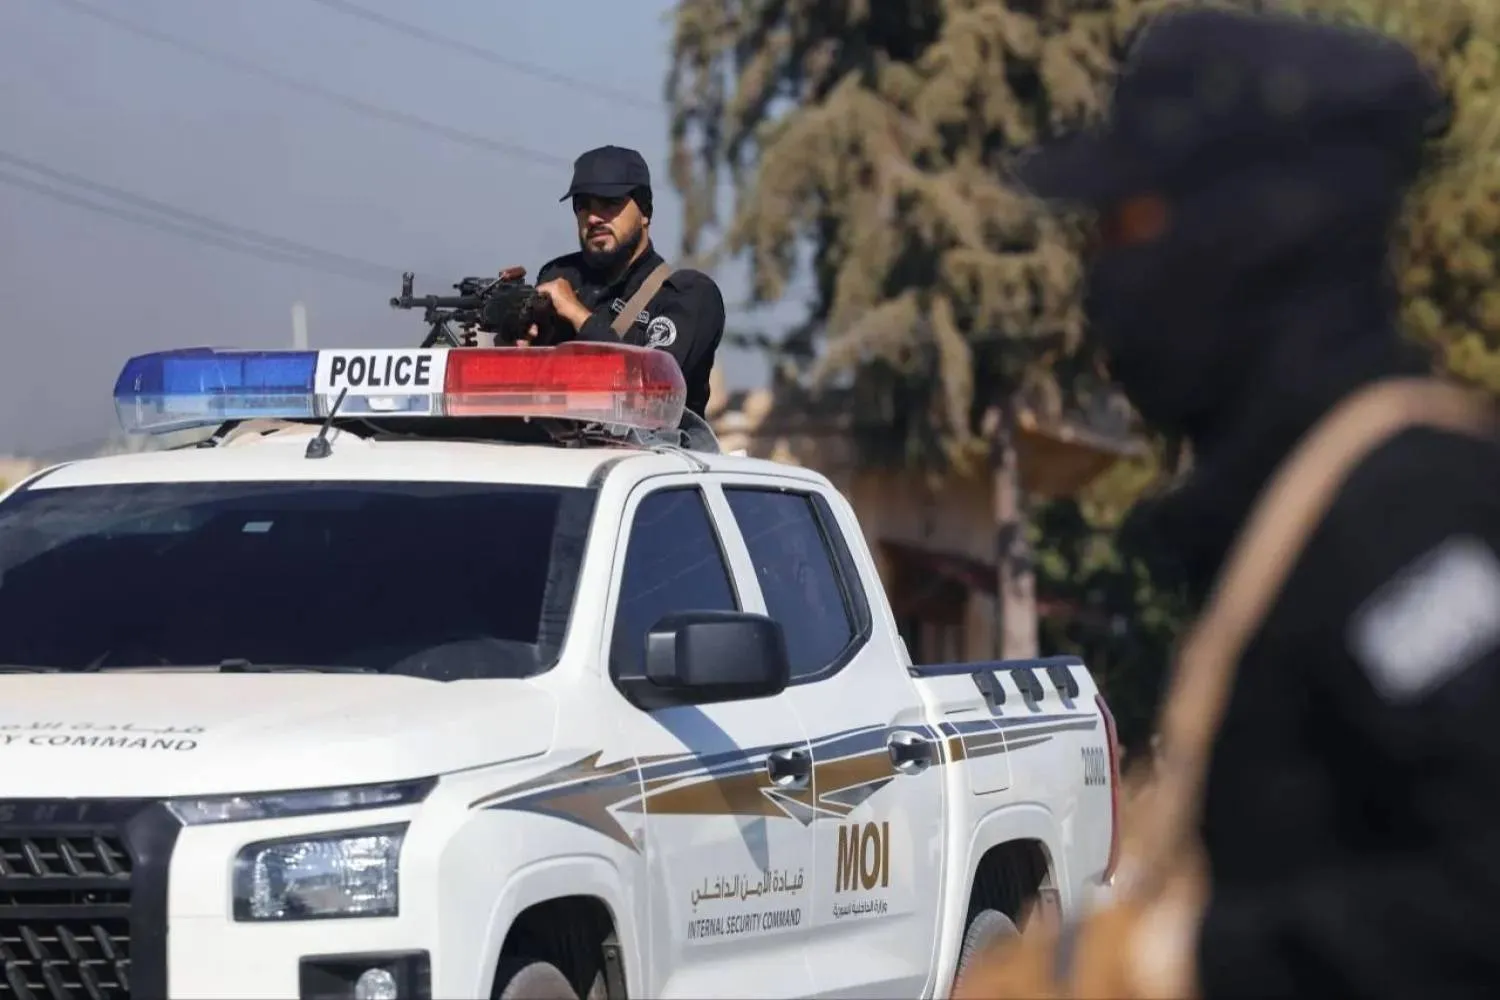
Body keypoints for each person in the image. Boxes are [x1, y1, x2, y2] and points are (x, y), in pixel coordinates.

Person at [957, 6, 1500, 999]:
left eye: (1129, 225)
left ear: (1252, 233)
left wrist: (1167, 965)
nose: (1102, 273)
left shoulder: (1407, 514)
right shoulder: (1294, 509)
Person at [502, 144, 726, 420]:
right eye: (583, 206)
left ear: (645, 211)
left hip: (652, 456)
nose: (594, 218)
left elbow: (653, 390)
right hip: (559, 454)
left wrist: (578, 316)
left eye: (609, 204)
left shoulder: (685, 294)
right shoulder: (559, 275)